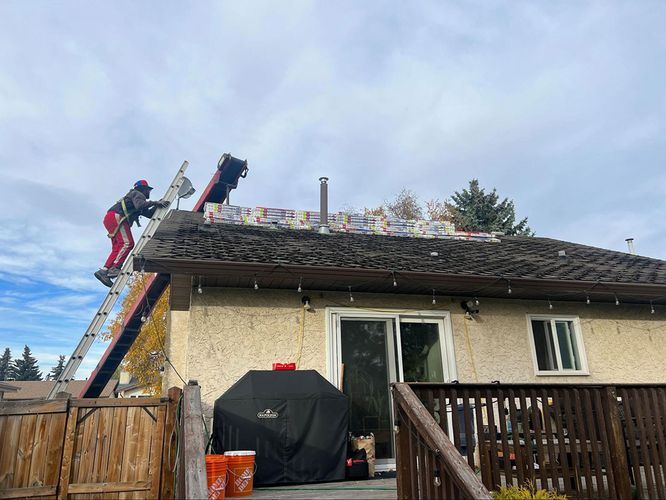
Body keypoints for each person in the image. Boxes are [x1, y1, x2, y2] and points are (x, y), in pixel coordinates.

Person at [94, 180, 169, 287]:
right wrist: (155, 202)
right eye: (148, 190)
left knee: (118, 247)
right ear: (143, 189)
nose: (149, 193)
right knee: (127, 243)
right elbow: (140, 205)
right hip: (116, 217)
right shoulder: (137, 194)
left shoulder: (133, 198)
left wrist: (157, 206)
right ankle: (115, 268)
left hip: (110, 218)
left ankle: (104, 271)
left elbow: (148, 214)